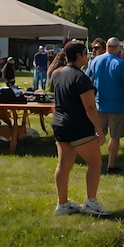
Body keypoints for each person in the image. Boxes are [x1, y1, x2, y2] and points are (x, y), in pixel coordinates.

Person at [52, 41, 110, 217]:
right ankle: (91, 202)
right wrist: (99, 129)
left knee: (63, 165)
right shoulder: (81, 78)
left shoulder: (58, 74)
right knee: (95, 163)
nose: (88, 55)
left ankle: (62, 205)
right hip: (78, 126)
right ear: (78, 55)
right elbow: (90, 107)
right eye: (85, 53)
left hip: (60, 124)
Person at [86, 37, 124, 174]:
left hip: (99, 104)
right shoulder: (122, 64)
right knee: (115, 137)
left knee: (97, 135)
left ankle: (95, 163)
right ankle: (111, 165)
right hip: (116, 105)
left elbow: (89, 82)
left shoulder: (94, 61)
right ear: (116, 48)